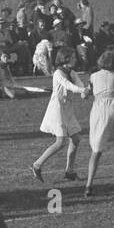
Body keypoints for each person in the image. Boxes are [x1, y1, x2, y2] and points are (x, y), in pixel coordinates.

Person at [31, 48, 87, 185]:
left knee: (76, 139)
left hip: (67, 108)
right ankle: (36, 165)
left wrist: (84, 89)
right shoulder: (58, 73)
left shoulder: (72, 72)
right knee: (60, 141)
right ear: (65, 58)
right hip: (57, 109)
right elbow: (68, 86)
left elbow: (79, 83)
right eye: (73, 57)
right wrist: (82, 91)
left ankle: (70, 171)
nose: (75, 59)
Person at [84, 47, 114, 193]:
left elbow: (87, 93)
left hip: (99, 110)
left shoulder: (93, 76)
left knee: (96, 149)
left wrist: (85, 91)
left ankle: (89, 184)